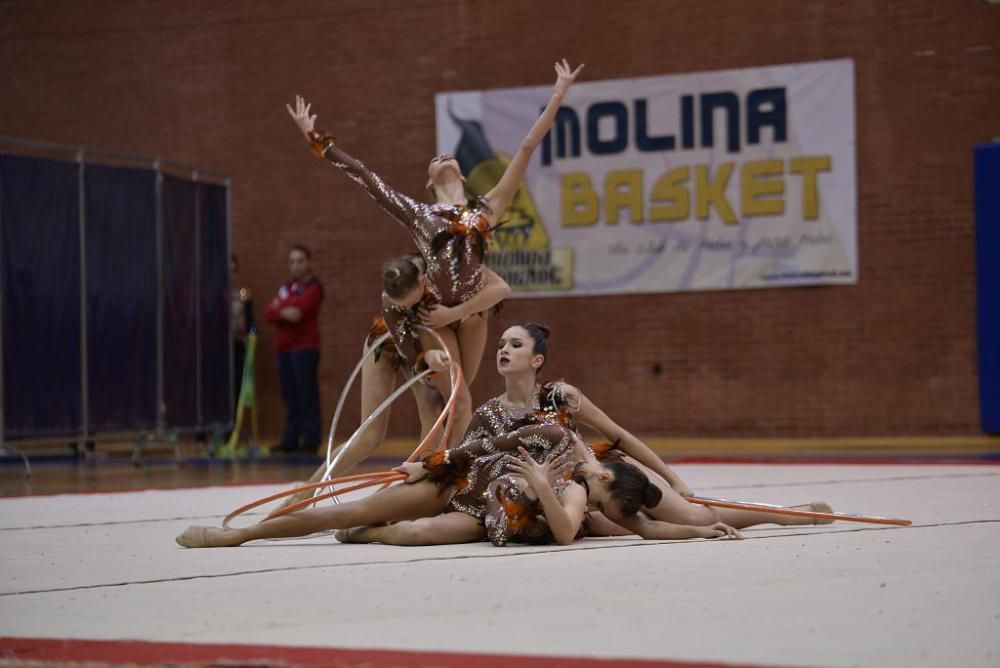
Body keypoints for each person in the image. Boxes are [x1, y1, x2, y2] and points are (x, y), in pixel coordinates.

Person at [286, 59, 584, 446]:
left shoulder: (487, 209)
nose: (442, 157)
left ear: (461, 174)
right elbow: (366, 178)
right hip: (435, 314)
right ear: (429, 181)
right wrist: (317, 139)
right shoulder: (420, 214)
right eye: (433, 160)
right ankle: (439, 471)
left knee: (454, 398)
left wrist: (559, 91)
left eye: (448, 157)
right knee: (456, 399)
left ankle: (442, 465)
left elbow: (527, 148)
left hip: (470, 313)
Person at [264, 244, 324, 454]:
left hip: (304, 348)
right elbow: (268, 314)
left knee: (306, 394)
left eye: (300, 261)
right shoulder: (286, 288)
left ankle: (310, 440)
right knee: (289, 396)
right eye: (292, 262)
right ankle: (290, 440)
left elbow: (297, 313)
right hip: (284, 349)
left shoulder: (314, 288)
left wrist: (280, 307)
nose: (296, 266)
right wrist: (283, 309)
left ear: (308, 263)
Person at [230, 253, 255, 410]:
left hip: (237, 345)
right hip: (215, 349)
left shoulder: (242, 294)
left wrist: (251, 336)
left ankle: (230, 429)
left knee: (236, 385)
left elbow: (251, 323)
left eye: (233, 269)